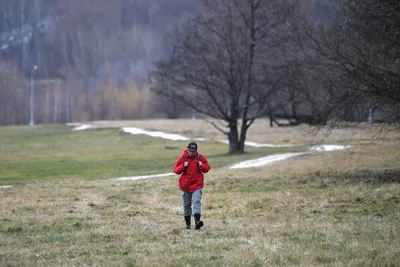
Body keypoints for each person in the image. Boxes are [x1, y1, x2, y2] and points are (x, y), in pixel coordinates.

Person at [174, 141, 211, 229]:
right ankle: (188, 224)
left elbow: (207, 168)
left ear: (196, 150)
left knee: (196, 202)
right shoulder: (183, 158)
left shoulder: (200, 157)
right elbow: (176, 170)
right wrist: (183, 166)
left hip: (197, 185)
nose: (192, 153)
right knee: (187, 204)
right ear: (188, 149)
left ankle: (197, 222)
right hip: (186, 186)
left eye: (193, 151)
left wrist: (202, 165)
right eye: (190, 151)